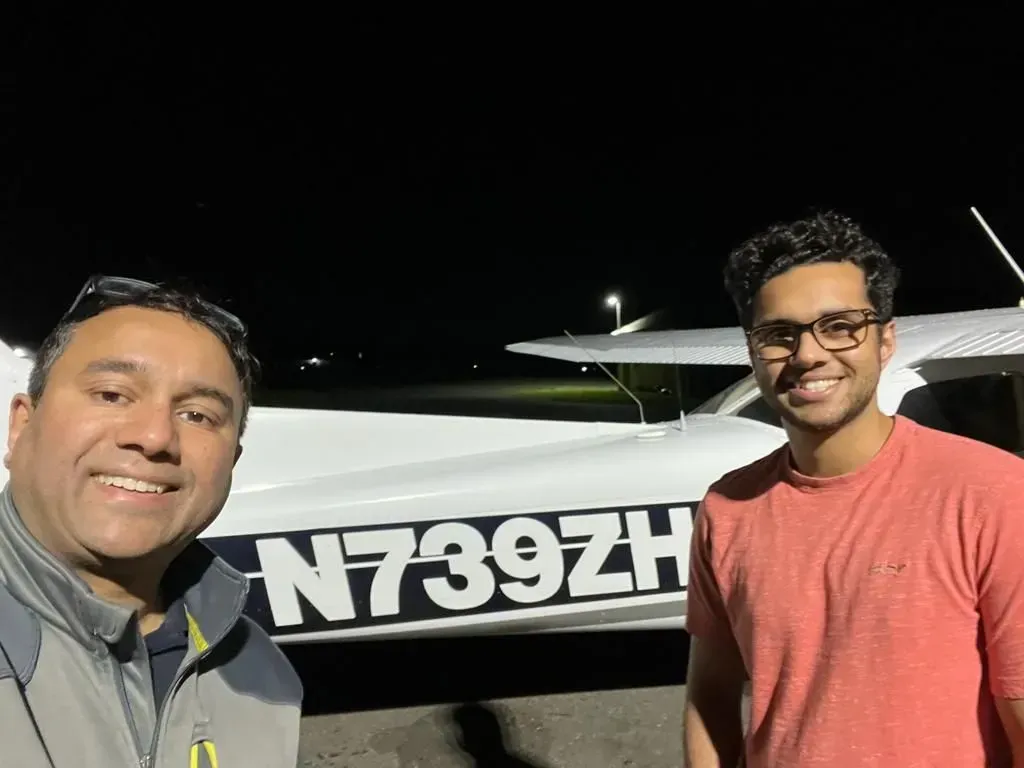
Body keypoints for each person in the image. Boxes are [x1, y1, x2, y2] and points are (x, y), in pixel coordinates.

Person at [682, 212, 1024, 767]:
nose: (808, 354)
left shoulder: (994, 494)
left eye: (841, 326)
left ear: (886, 340)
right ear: (752, 352)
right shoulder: (726, 509)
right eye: (778, 334)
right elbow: (710, 697)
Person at [0, 275, 303, 767]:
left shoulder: (261, 677)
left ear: (231, 462)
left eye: (198, 415)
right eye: (112, 394)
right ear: (21, 426)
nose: (155, 436)